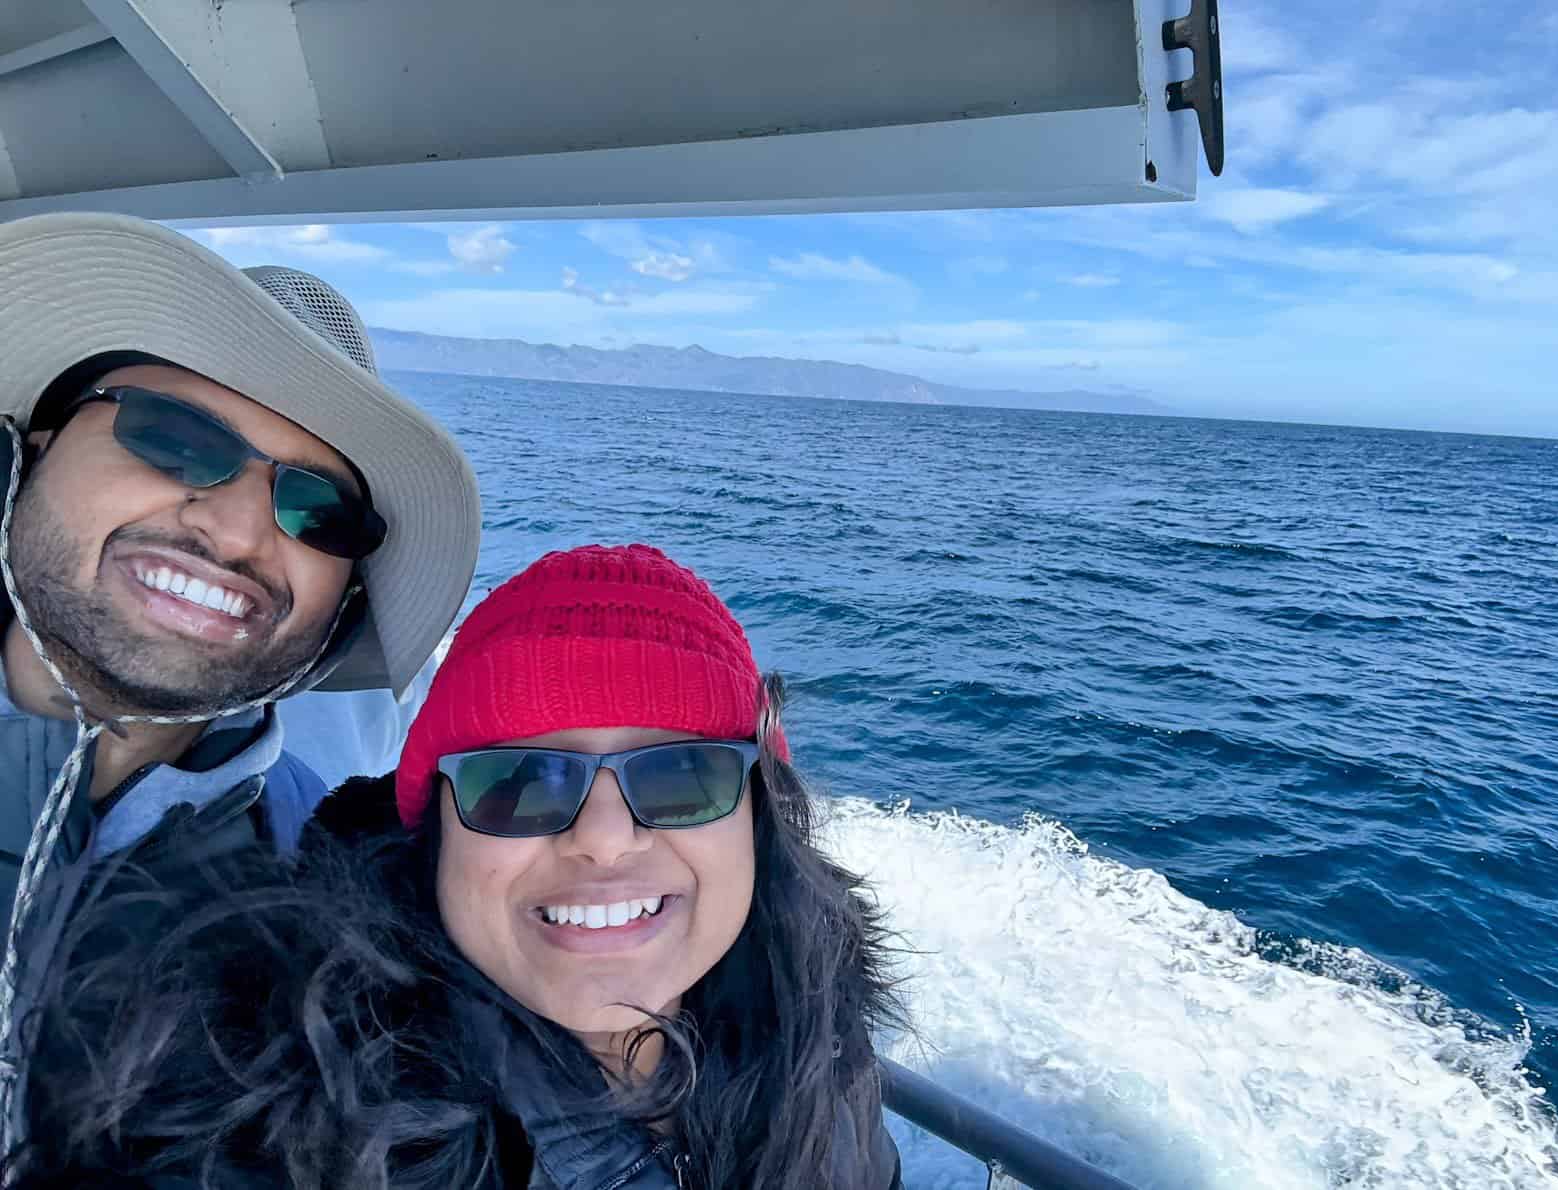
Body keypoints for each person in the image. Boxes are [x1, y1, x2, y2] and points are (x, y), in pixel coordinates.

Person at [9, 544, 906, 1189]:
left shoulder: (818, 1037)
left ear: (760, 814)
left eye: (681, 776)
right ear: (433, 833)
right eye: (519, 783)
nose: (603, 838)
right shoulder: (285, 1119)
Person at [0, 212, 480, 1149]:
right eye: (176, 439)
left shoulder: (333, 916)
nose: (238, 532)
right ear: (37, 445)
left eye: (318, 509)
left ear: (342, 602)